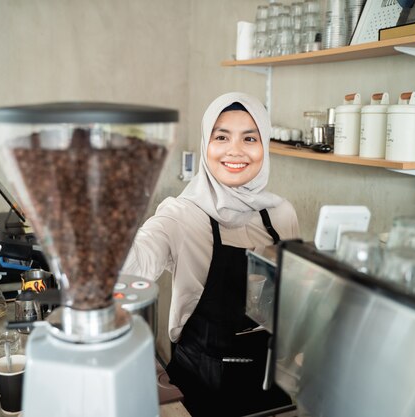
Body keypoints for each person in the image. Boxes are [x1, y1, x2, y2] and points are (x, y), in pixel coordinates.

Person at [122, 92, 299, 416]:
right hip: (199, 384)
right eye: (222, 137)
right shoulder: (181, 214)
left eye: (250, 137)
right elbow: (132, 271)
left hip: (266, 380)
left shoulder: (281, 214)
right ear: (206, 144)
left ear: (264, 147)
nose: (235, 150)